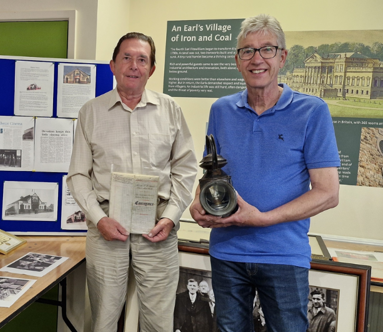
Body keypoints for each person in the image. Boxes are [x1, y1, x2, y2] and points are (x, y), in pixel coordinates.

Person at [190, 14, 340, 332]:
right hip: (227, 252)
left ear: (282, 57)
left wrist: (263, 218)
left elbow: (328, 193)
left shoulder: (312, 111)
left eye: (267, 49)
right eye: (247, 51)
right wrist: (197, 203)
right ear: (237, 60)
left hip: (283, 255)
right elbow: (211, 175)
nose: (257, 59)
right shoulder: (221, 110)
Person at [66, 32, 197, 331]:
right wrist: (99, 219)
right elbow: (77, 176)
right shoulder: (91, 112)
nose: (134, 65)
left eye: (142, 60)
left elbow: (186, 168)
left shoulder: (170, 110)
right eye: (127, 57)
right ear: (113, 65)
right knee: (103, 320)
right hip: (106, 229)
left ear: (151, 70)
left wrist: (171, 217)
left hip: (157, 228)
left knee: (159, 323)